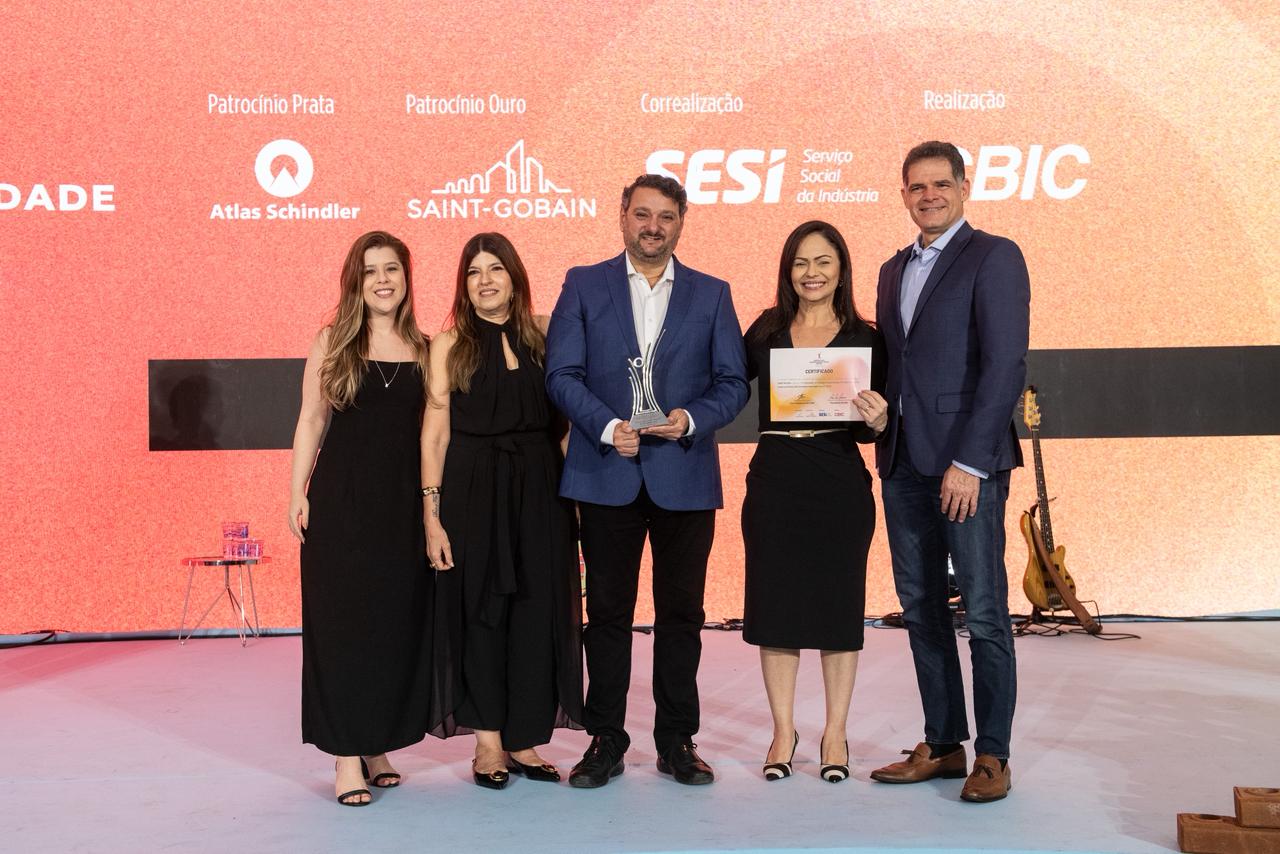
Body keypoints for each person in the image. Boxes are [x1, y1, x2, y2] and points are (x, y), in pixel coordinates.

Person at [545, 174, 749, 788]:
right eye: (642, 214)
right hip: (605, 474)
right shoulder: (584, 284)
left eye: (665, 216)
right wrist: (608, 428)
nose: (653, 226)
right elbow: (561, 374)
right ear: (622, 215)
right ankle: (606, 737)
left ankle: (677, 739)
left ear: (681, 222)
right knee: (607, 613)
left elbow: (733, 383)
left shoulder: (713, 293)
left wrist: (691, 419)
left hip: (684, 475)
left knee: (681, 614)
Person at [868, 141, 1030, 803]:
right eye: (917, 186)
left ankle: (992, 754)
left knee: (984, 612)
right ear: (904, 194)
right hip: (902, 461)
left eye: (940, 184)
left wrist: (969, 462)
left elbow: (1004, 366)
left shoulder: (994, 256)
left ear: (964, 188)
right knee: (921, 609)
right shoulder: (891, 269)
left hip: (967, 467)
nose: (928, 195)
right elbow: (895, 366)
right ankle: (942, 743)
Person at [421, 232, 583, 790]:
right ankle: (488, 740)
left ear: (515, 277)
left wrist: (579, 498)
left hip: (542, 488)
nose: (485, 280)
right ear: (463, 285)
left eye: (495, 269)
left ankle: (523, 739)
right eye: (474, 272)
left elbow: (566, 424)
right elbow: (435, 434)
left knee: (537, 610)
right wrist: (431, 514)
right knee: (481, 611)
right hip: (472, 488)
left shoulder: (545, 336)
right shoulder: (449, 344)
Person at [288, 230, 432, 806]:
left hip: (402, 508)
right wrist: (296, 491)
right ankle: (347, 756)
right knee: (343, 628)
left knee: (392, 627)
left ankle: (376, 745)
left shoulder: (426, 347)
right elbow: (310, 420)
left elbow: (433, 435)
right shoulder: (332, 341)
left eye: (391, 268)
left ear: (405, 277)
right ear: (356, 280)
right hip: (341, 504)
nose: (382, 280)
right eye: (370, 270)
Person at [741, 221, 889, 783]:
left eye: (823, 262)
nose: (812, 273)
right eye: (801, 262)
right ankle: (783, 732)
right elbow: (725, 383)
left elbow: (875, 425)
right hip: (776, 478)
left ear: (842, 270)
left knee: (838, 608)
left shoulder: (867, 338)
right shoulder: (765, 330)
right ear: (788, 270)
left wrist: (879, 421)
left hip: (838, 482)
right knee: (775, 609)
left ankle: (835, 733)